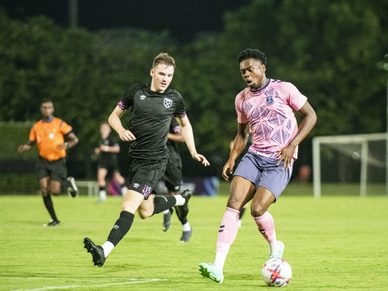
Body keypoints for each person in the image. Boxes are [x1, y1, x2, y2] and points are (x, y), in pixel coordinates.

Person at [199, 48, 317, 283]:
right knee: (233, 203)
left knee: (257, 210)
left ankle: (275, 245)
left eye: (250, 68)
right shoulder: (241, 98)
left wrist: (292, 145)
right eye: (243, 70)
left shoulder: (284, 89)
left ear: (263, 68)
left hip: (279, 160)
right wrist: (232, 158)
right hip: (254, 156)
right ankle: (218, 266)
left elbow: (311, 116)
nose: (246, 73)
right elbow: (242, 134)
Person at [83, 52, 210, 267]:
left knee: (128, 205)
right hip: (135, 161)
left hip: (155, 162)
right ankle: (180, 200)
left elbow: (186, 125)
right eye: (161, 73)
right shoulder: (135, 93)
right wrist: (121, 130)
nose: (165, 78)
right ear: (152, 72)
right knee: (146, 211)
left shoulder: (175, 99)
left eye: (169, 75)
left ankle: (104, 250)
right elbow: (113, 117)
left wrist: (193, 151)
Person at [18, 99, 79, 227]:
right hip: (43, 161)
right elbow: (31, 143)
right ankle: (54, 220)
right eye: (44, 107)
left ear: (53, 109)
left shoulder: (59, 123)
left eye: (49, 107)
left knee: (55, 191)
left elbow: (74, 139)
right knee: (44, 189)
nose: (47, 110)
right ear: (41, 109)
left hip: (58, 161)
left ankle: (68, 182)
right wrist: (25, 147)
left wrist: (66, 145)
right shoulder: (36, 126)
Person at [159, 118, 192, 242]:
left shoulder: (170, 118)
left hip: (171, 161)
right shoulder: (149, 115)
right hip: (154, 158)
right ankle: (166, 209)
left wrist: (165, 134)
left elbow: (182, 137)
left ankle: (186, 226)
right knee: (150, 188)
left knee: (175, 195)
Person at [95, 122, 127, 202]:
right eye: (102, 128)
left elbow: (117, 149)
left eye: (105, 128)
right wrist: (98, 151)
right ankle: (102, 196)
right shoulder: (100, 140)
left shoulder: (111, 139)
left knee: (118, 178)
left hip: (112, 162)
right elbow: (98, 149)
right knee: (100, 177)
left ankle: (125, 194)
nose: (104, 130)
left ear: (109, 130)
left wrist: (106, 148)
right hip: (103, 162)